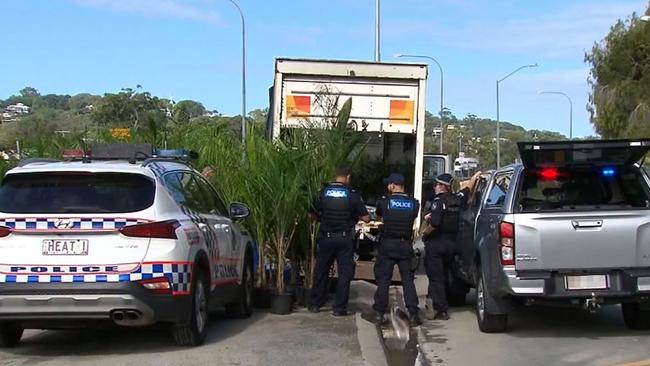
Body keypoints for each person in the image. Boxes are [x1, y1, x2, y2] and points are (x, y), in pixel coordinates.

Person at [309, 166, 370, 316]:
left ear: (336, 176)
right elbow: (366, 218)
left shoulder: (323, 192)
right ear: (348, 177)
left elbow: (311, 214)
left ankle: (315, 304)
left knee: (321, 271)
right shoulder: (352, 195)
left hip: (326, 238)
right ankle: (339, 308)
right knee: (344, 274)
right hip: (345, 240)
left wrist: (322, 219)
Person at [422, 171, 481, 321]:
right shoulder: (458, 199)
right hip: (452, 245)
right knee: (445, 275)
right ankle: (435, 304)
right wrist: (475, 176)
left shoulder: (438, 201)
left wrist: (425, 233)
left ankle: (441, 309)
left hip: (436, 244)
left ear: (442, 186)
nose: (435, 187)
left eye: (436, 184)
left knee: (436, 278)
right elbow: (468, 189)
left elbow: (435, 224)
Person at [372, 173, 422, 327]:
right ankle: (413, 314)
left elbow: (379, 215)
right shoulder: (414, 203)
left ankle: (380, 313)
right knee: (407, 280)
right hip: (404, 245)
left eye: (389, 184)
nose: (388, 187)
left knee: (384, 280)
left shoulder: (384, 201)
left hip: (387, 245)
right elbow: (412, 217)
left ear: (393, 186)